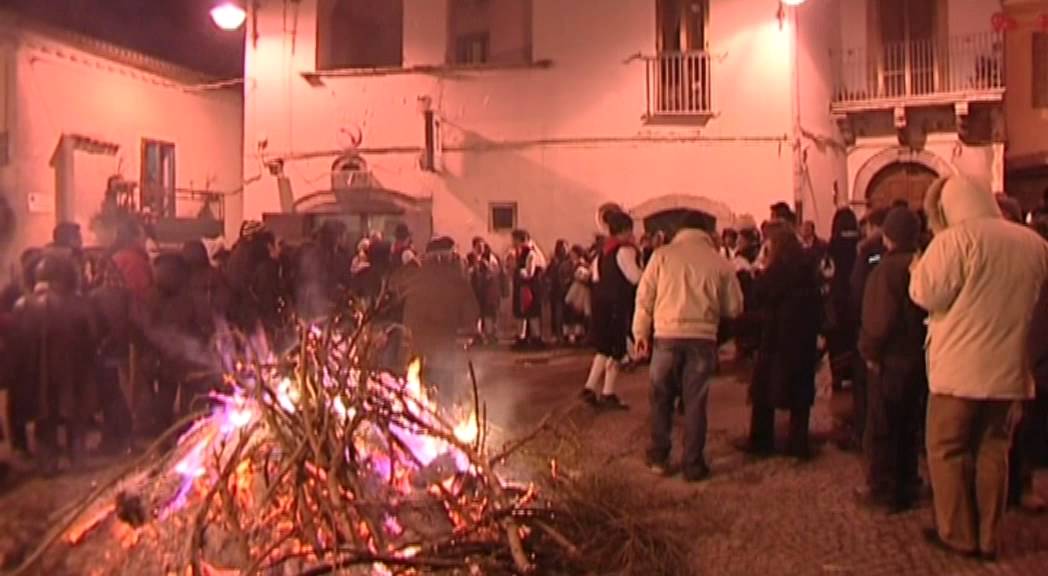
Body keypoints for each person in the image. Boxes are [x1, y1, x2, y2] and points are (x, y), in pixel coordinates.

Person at [911, 175, 1048, 559]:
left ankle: (957, 533)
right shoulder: (1033, 243)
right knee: (994, 451)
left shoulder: (955, 241)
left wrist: (920, 265)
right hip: (1009, 369)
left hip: (957, 372)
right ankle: (990, 536)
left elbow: (924, 293)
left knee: (947, 450)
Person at [635, 210, 743, 482]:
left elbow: (644, 297)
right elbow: (735, 307)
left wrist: (640, 333)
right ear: (706, 233)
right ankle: (693, 464)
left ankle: (659, 456)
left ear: (679, 231)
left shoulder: (662, 256)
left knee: (661, 397)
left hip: (666, 335)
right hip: (702, 338)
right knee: (695, 401)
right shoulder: (719, 262)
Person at [855, 207, 927, 512]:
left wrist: (869, 352)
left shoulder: (885, 270)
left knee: (884, 425)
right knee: (909, 424)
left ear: (888, 235)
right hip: (918, 357)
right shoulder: (923, 263)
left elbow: (878, 320)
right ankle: (908, 480)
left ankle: (883, 487)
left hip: (892, 360)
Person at [740, 226, 822, 460]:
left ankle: (761, 441)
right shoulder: (807, 270)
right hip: (802, 340)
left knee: (764, 391)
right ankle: (798, 444)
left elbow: (758, 295)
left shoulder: (775, 272)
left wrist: (761, 270)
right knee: (800, 394)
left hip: (776, 338)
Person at [395, 236, 478, 403]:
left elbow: (404, 303)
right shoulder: (455, 278)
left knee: (427, 390)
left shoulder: (418, 276)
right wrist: (469, 331)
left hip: (426, 346)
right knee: (445, 390)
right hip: (444, 345)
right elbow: (470, 308)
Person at [581, 211, 643, 410]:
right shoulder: (625, 251)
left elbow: (595, 278)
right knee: (616, 349)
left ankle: (589, 388)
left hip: (600, 304)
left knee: (603, 348)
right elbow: (635, 278)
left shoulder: (601, 252)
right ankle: (608, 393)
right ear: (625, 230)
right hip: (617, 304)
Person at [847, 208, 887, 451]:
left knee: (871, 394)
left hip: (872, 329)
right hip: (903, 340)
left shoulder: (870, 252)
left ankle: (865, 440)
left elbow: (860, 290)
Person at [823, 208, 861, 393]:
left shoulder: (831, 247)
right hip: (856, 299)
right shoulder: (861, 245)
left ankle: (838, 377)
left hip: (837, 301)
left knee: (838, 342)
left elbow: (825, 273)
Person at [510, 229, 546, 349]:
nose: (513, 242)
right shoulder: (520, 253)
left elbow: (530, 272)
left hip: (529, 287)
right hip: (522, 286)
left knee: (531, 313)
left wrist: (518, 271)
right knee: (522, 313)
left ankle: (535, 338)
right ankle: (522, 337)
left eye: (515, 239)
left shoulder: (531, 253)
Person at [469, 237, 503, 346]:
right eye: (478, 246)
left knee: (489, 313)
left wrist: (484, 265)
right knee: (477, 314)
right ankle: (478, 335)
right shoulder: (471, 257)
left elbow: (494, 271)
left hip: (489, 290)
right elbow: (469, 272)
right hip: (476, 290)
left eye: (482, 246)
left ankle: (491, 335)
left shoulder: (490, 257)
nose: (480, 248)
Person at [548, 240, 572, 343]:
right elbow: (549, 274)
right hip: (555, 291)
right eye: (561, 247)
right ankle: (556, 334)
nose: (563, 250)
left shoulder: (569, 261)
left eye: (565, 247)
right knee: (556, 314)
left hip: (566, 291)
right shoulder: (554, 261)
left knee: (566, 314)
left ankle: (565, 334)